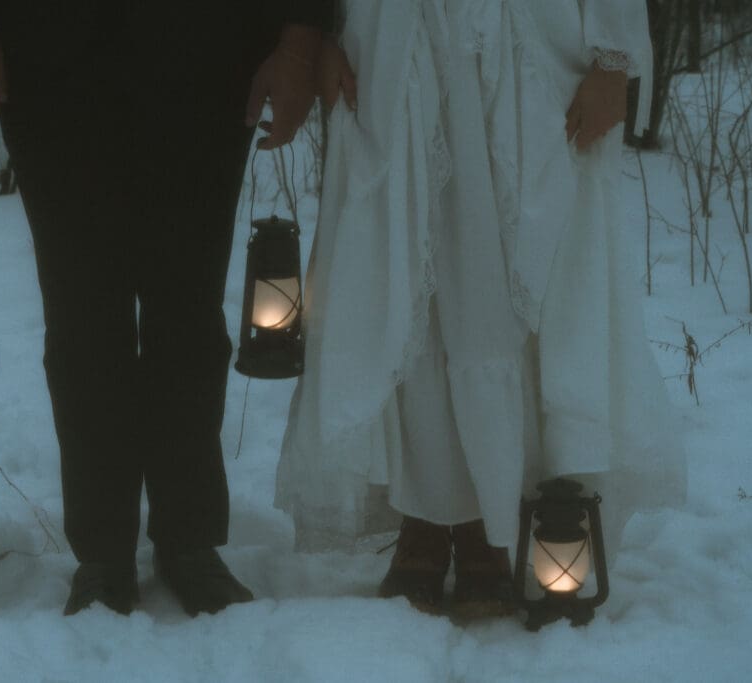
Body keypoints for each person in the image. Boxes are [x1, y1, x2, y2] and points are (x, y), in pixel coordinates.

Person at [277, 0, 686, 616]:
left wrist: (614, 57)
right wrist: (321, 35)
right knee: (412, 277)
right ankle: (423, 518)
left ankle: (491, 522)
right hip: (396, 42)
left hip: (524, 45)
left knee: (501, 287)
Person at [0, 0, 332, 617]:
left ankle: (189, 541)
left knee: (188, 308)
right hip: (49, 55)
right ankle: (103, 554)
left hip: (208, 50)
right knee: (82, 312)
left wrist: (301, 38)